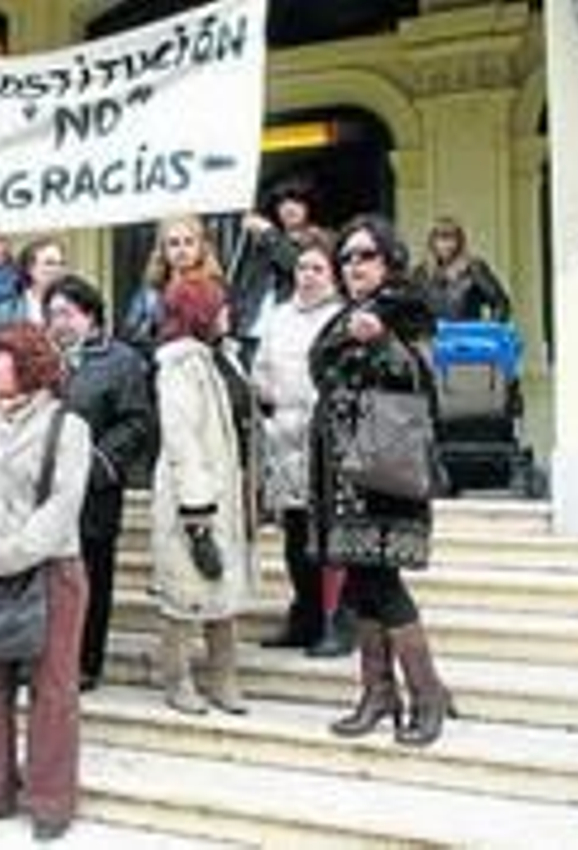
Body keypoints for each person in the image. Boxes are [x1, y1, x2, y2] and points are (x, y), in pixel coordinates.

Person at [312, 214, 451, 747]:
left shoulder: (407, 311)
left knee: (382, 584)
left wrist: (385, 344)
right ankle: (378, 693)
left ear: (389, 260)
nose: (353, 266)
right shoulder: (344, 316)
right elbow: (319, 369)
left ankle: (427, 692)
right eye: (346, 257)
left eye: (365, 255)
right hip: (343, 472)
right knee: (364, 583)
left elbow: (422, 384)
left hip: (385, 470)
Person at [0, 322, 91, 842]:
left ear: (26, 363)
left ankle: (51, 799)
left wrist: (13, 552)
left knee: (53, 689)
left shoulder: (67, 427)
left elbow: (63, 502)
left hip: (51, 570)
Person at [151, 280, 257, 716]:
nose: (228, 313)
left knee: (223, 587)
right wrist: (197, 508)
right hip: (192, 493)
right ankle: (177, 678)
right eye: (220, 307)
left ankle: (224, 678)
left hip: (228, 487)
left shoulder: (223, 357)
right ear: (201, 313)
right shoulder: (180, 366)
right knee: (187, 591)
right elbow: (182, 440)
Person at [45, 276, 155, 692]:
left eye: (66, 313)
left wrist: (97, 463)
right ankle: (47, 656)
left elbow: (137, 422)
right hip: (44, 490)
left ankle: (86, 661)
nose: (58, 322)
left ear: (89, 316)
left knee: (91, 576)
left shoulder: (120, 360)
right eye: (52, 313)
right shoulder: (42, 356)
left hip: (94, 490)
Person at [253, 230, 347, 657]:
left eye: (317, 268)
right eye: (302, 268)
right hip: (283, 440)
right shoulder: (279, 315)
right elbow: (262, 368)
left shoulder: (343, 317)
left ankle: (336, 621)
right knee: (294, 539)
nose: (307, 276)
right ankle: (304, 615)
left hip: (327, 439)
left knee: (328, 540)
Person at [230, 180, 317, 365]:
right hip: (252, 333)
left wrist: (268, 233)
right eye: (282, 202)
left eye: (296, 201)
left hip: (290, 335)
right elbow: (245, 284)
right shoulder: (263, 242)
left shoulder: (319, 240)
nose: (288, 208)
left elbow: (296, 265)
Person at [122, 216, 225, 357]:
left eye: (189, 242)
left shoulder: (217, 290)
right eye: (174, 243)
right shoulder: (149, 294)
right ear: (163, 249)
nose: (182, 250)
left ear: (200, 247)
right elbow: (131, 341)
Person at [413, 216, 512, 322]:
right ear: (432, 242)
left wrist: (488, 332)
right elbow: (411, 309)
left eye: (451, 238)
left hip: (466, 336)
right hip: (433, 336)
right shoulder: (421, 273)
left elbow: (501, 304)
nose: (446, 245)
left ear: (460, 241)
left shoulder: (474, 269)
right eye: (441, 239)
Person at [18, 236, 68, 324]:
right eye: (49, 263)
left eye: (61, 263)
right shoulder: (11, 308)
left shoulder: (73, 303)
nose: (57, 269)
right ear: (29, 268)